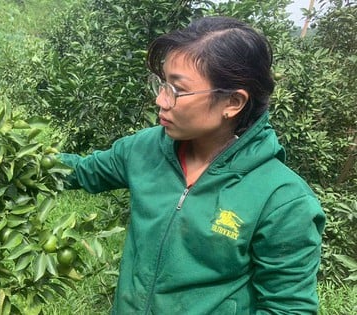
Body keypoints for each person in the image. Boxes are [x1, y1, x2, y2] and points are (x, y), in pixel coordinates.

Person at [58, 16, 326, 314]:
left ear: (233, 102)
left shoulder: (281, 200)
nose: (161, 100)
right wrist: (16, 156)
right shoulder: (145, 149)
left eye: (178, 90)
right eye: (162, 83)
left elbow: (288, 309)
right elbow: (80, 171)